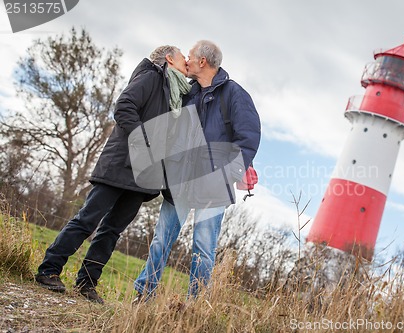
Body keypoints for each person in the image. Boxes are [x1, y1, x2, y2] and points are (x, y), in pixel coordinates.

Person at [35, 45, 190, 304]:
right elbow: (123, 107)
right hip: (121, 165)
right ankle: (49, 270)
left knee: (111, 231)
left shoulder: (174, 93)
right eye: (182, 57)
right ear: (168, 59)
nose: (187, 61)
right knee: (87, 220)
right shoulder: (152, 77)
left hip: (143, 177)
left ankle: (86, 283)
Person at [134, 40, 261, 301]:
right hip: (179, 180)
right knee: (161, 241)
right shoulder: (186, 92)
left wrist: (228, 174)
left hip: (214, 186)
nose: (187, 61)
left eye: (190, 56)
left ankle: (195, 305)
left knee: (203, 249)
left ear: (202, 61)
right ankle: (145, 294)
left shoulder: (235, 94)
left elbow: (248, 139)